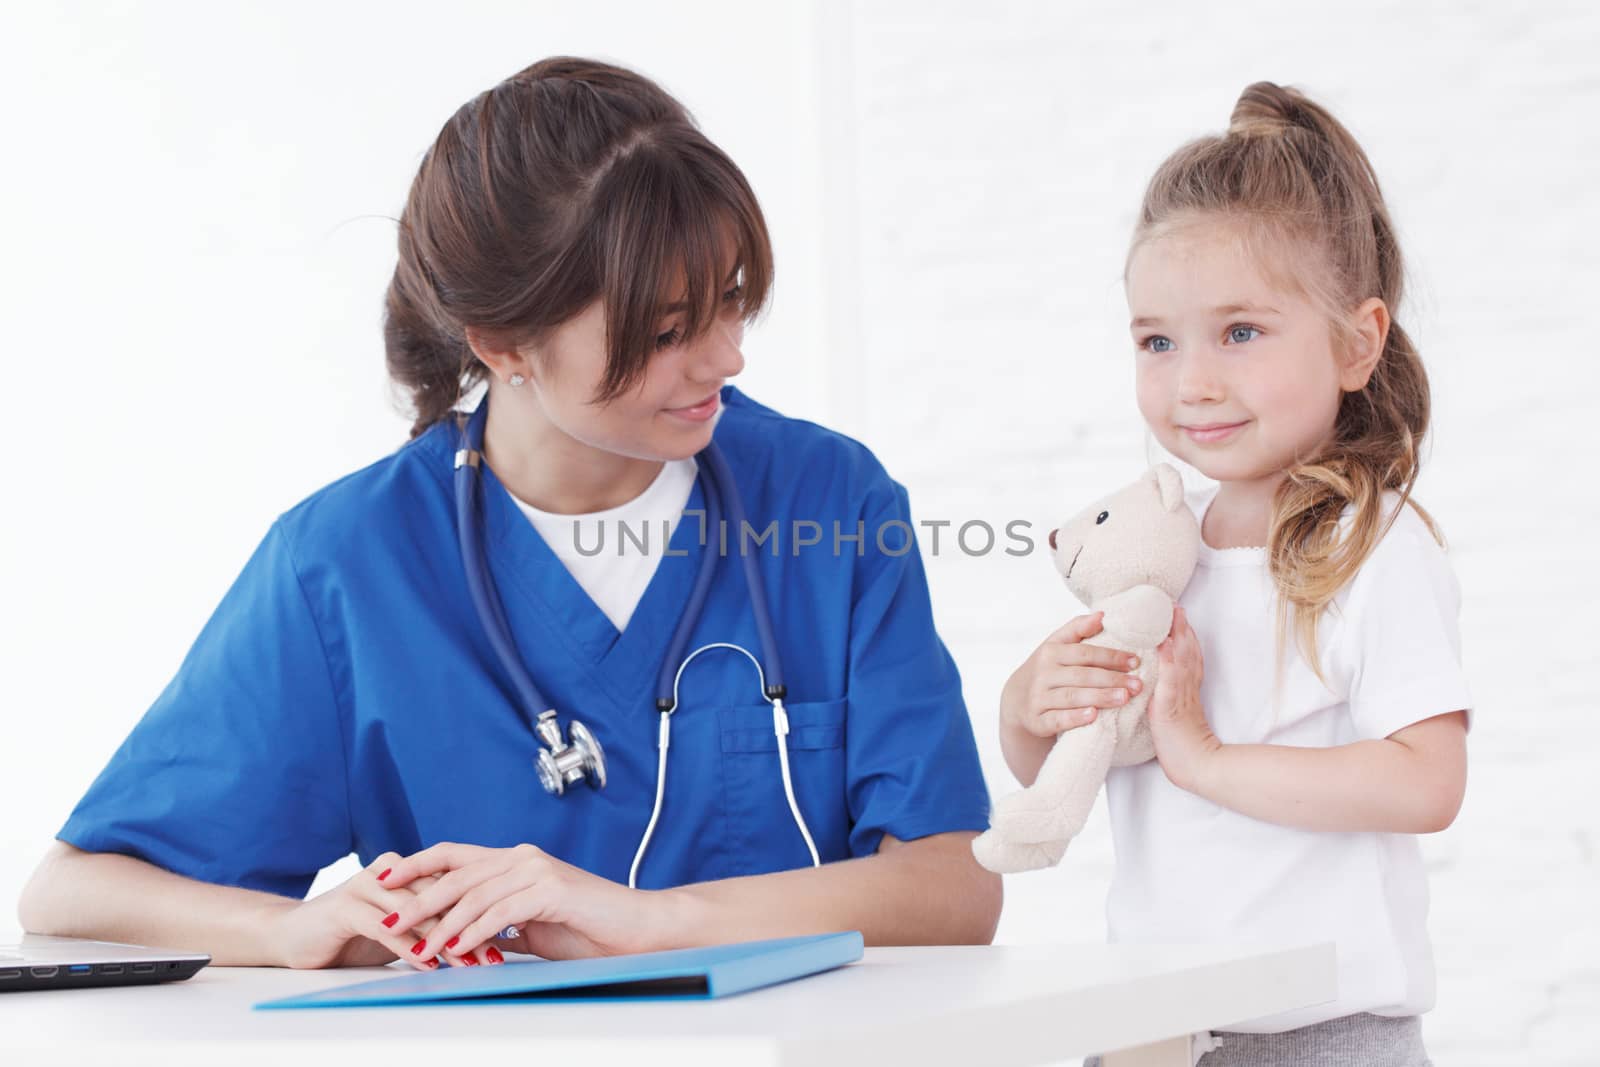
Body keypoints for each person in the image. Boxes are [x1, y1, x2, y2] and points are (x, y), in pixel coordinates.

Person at [18, 56, 1016, 971]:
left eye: (732, 299)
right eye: (669, 329)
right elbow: (74, 890)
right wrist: (289, 928)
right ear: (501, 342)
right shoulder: (350, 562)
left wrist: (653, 917)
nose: (725, 359)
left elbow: (954, 885)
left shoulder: (827, 503)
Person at [1000, 83, 1471, 1067]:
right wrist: (1029, 705)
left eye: (1241, 332)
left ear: (1357, 340)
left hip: (1325, 1032)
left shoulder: (1369, 545)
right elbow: (1072, 760)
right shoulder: (1158, 552)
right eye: (1156, 340)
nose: (1192, 381)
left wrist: (1204, 756)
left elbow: (1428, 780)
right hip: (1152, 1025)